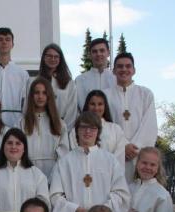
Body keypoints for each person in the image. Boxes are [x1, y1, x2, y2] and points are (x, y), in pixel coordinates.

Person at [49, 111, 131, 212]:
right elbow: (55, 196)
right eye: (83, 127)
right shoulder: (65, 162)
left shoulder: (110, 161)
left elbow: (121, 194)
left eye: (92, 128)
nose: (87, 131)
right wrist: (78, 211)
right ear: (76, 131)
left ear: (98, 131)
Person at [108, 53, 158, 181]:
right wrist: (123, 146)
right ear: (113, 71)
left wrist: (134, 148)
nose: (124, 69)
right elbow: (106, 125)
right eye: (119, 66)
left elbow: (149, 125)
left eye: (128, 66)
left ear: (134, 70)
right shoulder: (105, 95)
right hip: (114, 154)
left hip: (138, 156)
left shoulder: (145, 94)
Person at [19, 77, 68, 178]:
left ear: (49, 95)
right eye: (37, 92)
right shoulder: (21, 123)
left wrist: (55, 176)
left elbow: (64, 152)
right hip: (27, 172)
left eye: (44, 93)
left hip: (52, 172)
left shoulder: (59, 124)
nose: (40, 96)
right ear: (31, 96)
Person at [68, 90, 128, 160]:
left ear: (105, 106)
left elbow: (119, 155)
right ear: (87, 105)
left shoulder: (116, 129)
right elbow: (75, 154)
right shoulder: (76, 131)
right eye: (92, 104)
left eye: (100, 104)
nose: (96, 108)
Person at [34, 43, 77, 130]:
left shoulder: (69, 83)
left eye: (56, 56)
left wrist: (65, 130)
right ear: (44, 58)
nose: (52, 59)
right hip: (39, 126)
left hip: (61, 126)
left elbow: (72, 109)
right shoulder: (35, 82)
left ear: (60, 59)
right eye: (49, 56)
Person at [74, 38, 117, 113]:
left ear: (108, 53)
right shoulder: (80, 80)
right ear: (90, 55)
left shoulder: (116, 78)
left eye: (102, 50)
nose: (98, 54)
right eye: (94, 51)